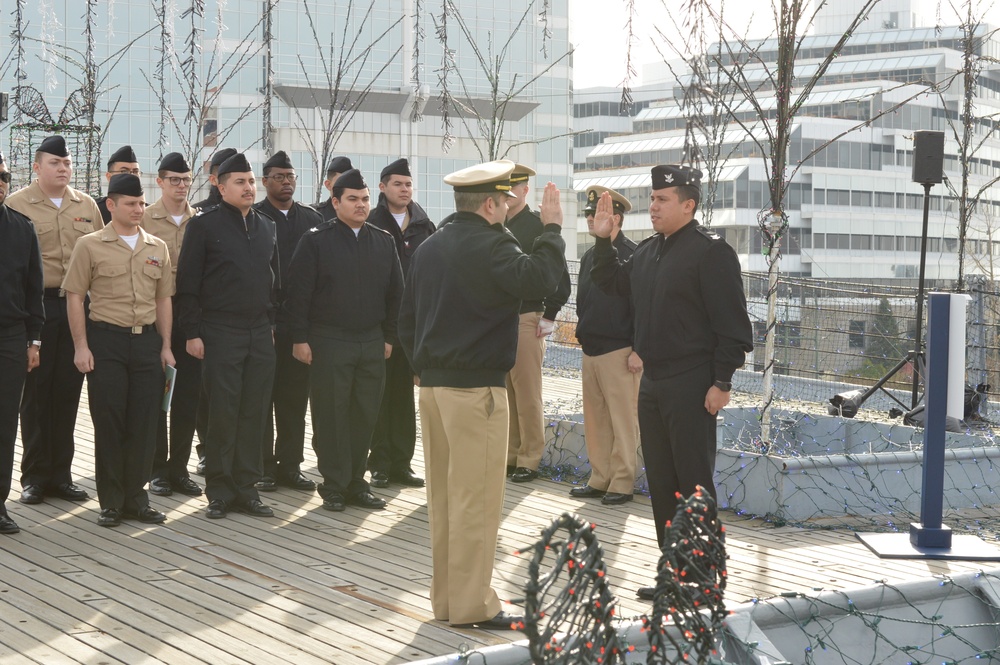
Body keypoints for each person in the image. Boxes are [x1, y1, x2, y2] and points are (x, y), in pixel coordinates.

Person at [397, 160, 565, 629]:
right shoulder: (493, 244)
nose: (511, 206)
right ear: (490, 203)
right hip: (476, 394)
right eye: (506, 200)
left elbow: (405, 318)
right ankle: (473, 604)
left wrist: (423, 367)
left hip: (432, 390)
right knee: (477, 499)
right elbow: (540, 280)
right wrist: (551, 229)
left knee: (446, 500)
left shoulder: (429, 247)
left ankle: (449, 600)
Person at [589, 164, 753, 599]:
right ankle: (675, 572)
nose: (653, 205)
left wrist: (722, 380)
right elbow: (611, 283)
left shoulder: (711, 252)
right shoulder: (649, 251)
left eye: (662, 199)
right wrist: (603, 240)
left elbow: (733, 325)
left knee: (693, 481)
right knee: (662, 482)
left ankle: (701, 578)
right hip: (654, 381)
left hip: (693, 381)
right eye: (653, 198)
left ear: (688, 204)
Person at [284, 169, 402, 512]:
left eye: (365, 199)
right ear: (335, 203)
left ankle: (356, 483)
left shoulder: (382, 240)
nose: (360, 205)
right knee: (331, 415)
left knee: (365, 414)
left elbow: (397, 295)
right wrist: (299, 339)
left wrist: (389, 337)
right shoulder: (316, 240)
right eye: (352, 199)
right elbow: (298, 295)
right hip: (329, 340)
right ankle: (334, 484)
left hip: (371, 341)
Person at [62, 173, 175, 527]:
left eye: (142, 202)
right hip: (106, 341)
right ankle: (111, 501)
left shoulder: (157, 246)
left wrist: (167, 346)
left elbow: (164, 300)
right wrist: (81, 345)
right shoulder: (90, 245)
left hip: (146, 343)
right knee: (109, 421)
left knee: (144, 422)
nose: (139, 209)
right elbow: (76, 296)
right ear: (111, 205)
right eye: (130, 203)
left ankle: (136, 499)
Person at [176, 153, 277, 520]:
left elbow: (273, 280)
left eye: (251, 181)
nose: (249, 188)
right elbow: (187, 283)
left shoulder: (266, 226)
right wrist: (192, 332)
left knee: (255, 411)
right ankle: (219, 489)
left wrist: (272, 326)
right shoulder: (204, 226)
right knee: (223, 411)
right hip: (219, 330)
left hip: (259, 333)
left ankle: (247, 488)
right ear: (220, 186)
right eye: (240, 182)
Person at [6, 134, 102, 507]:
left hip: (76, 307)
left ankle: (61, 475)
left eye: (67, 163)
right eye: (55, 163)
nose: (63, 169)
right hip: (37, 308)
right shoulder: (17, 205)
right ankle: (34, 477)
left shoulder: (87, 205)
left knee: (67, 391)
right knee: (35, 396)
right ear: (37, 166)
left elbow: (99, 253)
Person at [253, 151, 321, 492]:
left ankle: (291, 465)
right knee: (264, 399)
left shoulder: (311, 218)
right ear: (264, 181)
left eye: (290, 176)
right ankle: (264, 466)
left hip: (300, 324)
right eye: (278, 176)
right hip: (265, 323)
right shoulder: (254, 217)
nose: (286, 182)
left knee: (295, 400)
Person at [366, 157, 435, 489]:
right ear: (382, 187)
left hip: (415, 326)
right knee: (381, 396)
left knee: (406, 398)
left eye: (408, 184)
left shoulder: (424, 225)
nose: (405, 190)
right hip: (381, 324)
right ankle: (378, 463)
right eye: (397, 184)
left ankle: (402, 464)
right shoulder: (372, 222)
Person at [571, 186, 642, 506]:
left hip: (620, 352)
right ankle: (600, 477)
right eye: (588, 214)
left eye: (597, 214)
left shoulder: (633, 254)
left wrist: (639, 348)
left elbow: (643, 306)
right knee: (596, 420)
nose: (590, 219)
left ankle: (622, 481)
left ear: (616, 218)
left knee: (623, 421)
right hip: (591, 350)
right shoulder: (590, 256)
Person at [503, 164, 571, 484]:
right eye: (503, 189)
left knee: (527, 393)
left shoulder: (537, 226)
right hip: (496, 321)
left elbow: (560, 277)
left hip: (525, 318)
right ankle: (511, 453)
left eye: (514, 188)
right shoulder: (494, 225)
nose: (508, 195)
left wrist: (549, 316)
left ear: (525, 190)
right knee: (505, 392)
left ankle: (529, 458)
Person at [143, 152, 205, 498]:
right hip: (154, 314)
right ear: (160, 181)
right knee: (157, 395)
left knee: (188, 397)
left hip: (192, 315)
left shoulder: (201, 221)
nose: (181, 186)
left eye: (186, 180)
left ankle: (179, 468)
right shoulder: (145, 219)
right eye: (174, 180)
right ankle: (157, 469)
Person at [0, 152, 44, 535]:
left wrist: (34, 340)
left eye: (3, 175)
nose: (0, 181)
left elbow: (34, 291)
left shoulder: (22, 228)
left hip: (10, 338)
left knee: (4, 423)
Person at [95, 146, 142, 223]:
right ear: (109, 176)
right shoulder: (96, 209)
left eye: (135, 172)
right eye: (124, 171)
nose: (131, 176)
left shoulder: (147, 212)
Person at [313, 156, 353, 222]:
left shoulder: (361, 215)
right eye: (342, 181)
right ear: (328, 185)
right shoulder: (314, 215)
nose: (348, 186)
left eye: (351, 182)